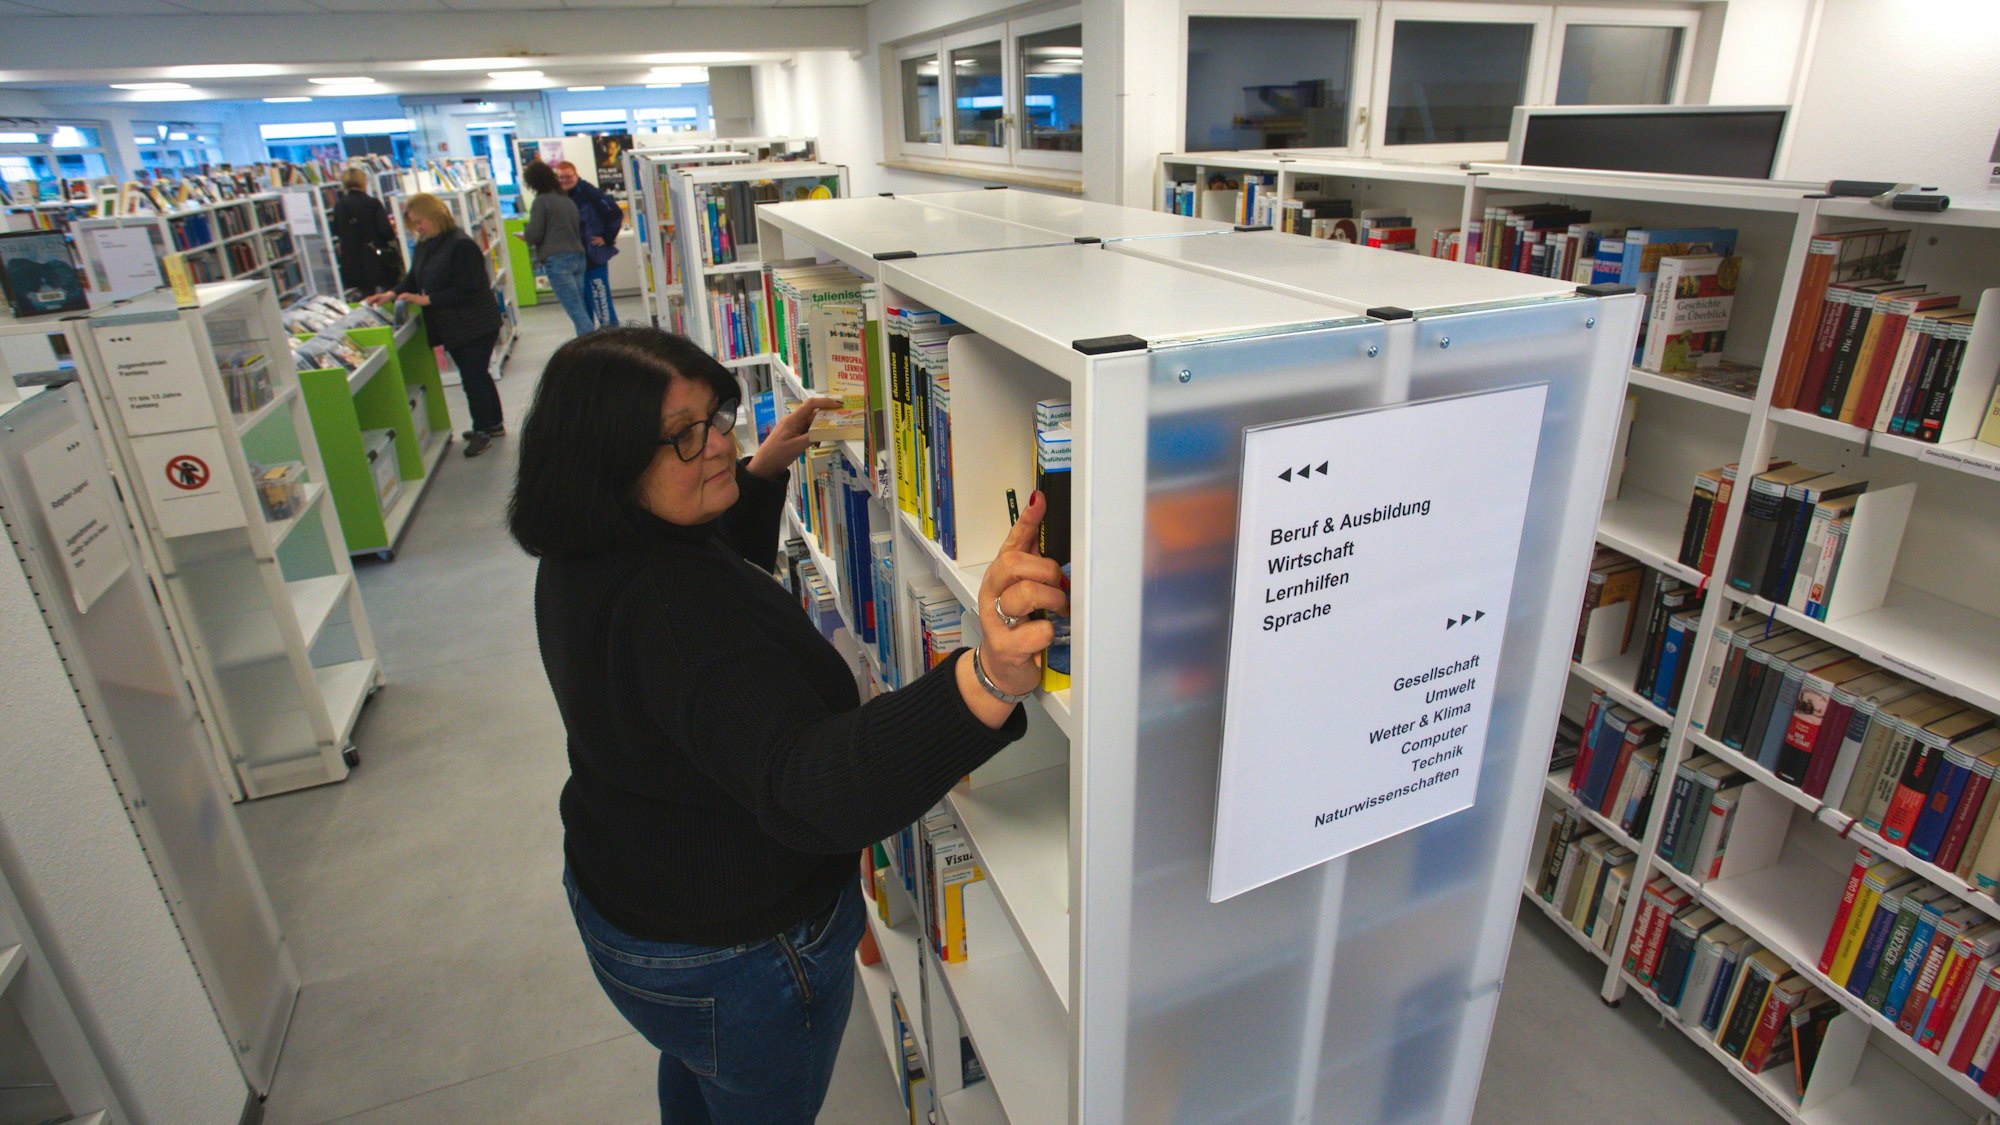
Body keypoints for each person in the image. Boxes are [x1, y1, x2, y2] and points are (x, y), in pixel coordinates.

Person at [509, 327, 1063, 1123]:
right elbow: (813, 787)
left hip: (628, 901)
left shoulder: (586, 547)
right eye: (685, 436)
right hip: (734, 953)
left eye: (718, 415)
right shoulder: (677, 619)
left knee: (701, 1071)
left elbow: (692, 603)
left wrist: (758, 477)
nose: (719, 442)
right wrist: (982, 680)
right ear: (611, 463)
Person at [366, 192, 506, 457]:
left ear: (435, 216)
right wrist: (391, 294)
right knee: (477, 375)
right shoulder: (426, 244)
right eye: (414, 224)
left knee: (473, 378)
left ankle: (483, 431)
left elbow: (470, 289)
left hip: (474, 323)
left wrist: (427, 299)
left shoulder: (461, 244)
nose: (418, 228)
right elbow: (413, 278)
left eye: (420, 222)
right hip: (456, 323)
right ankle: (493, 423)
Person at [518, 160, 594, 337]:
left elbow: (534, 234)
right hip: (578, 257)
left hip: (558, 260)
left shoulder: (541, 201)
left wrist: (525, 235)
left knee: (576, 311)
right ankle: (587, 344)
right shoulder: (566, 200)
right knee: (580, 306)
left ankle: (591, 347)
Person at [556, 160, 623, 328]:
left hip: (593, 257)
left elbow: (615, 213)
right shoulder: (558, 196)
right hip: (573, 259)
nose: (565, 180)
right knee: (581, 305)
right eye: (561, 177)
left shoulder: (590, 192)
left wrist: (606, 238)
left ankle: (612, 340)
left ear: (576, 174)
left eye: (568, 176)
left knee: (601, 303)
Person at [330, 166, 398, 296]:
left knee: (366, 294)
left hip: (352, 259)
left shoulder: (339, 206)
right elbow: (386, 231)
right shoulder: (373, 203)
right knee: (388, 293)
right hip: (375, 257)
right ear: (364, 182)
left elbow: (337, 231)